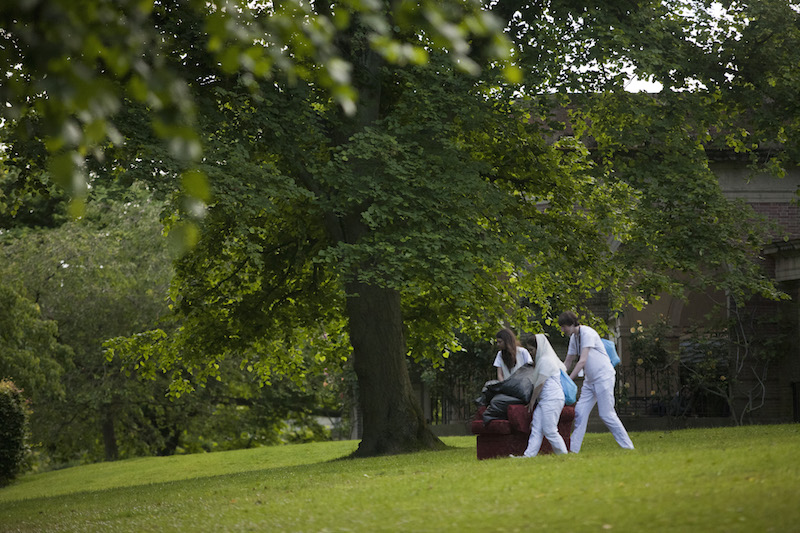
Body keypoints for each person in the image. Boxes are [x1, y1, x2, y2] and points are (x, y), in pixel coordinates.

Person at [560, 311, 634, 453]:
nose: (563, 330)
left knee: (606, 414)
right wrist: (559, 376)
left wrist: (568, 380)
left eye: (564, 326)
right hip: (590, 381)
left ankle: (628, 447)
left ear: (572, 324)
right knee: (580, 413)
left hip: (604, 377)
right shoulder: (574, 338)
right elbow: (568, 361)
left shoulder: (587, 333)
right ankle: (573, 450)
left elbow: (582, 361)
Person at [520, 334, 568, 457]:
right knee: (536, 428)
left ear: (539, 348)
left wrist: (532, 401)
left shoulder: (546, 360)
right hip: (545, 400)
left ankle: (563, 455)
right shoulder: (543, 360)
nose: (530, 353)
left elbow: (540, 383)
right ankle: (529, 455)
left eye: (532, 349)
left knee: (550, 430)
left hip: (552, 399)